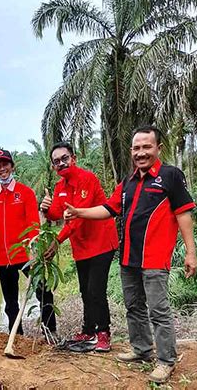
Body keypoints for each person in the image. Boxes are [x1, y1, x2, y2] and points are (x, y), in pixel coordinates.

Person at [64, 126, 197, 384]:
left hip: (155, 258)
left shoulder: (170, 176)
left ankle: (166, 360)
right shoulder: (128, 182)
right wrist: (79, 212)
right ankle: (142, 349)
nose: (141, 152)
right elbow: (107, 208)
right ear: (131, 152)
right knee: (133, 306)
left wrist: (190, 252)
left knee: (158, 310)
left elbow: (183, 214)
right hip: (128, 257)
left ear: (158, 148)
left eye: (147, 147)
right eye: (136, 148)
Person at [39, 142, 119, 352]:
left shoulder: (87, 179)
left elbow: (79, 217)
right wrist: (46, 209)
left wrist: (58, 241)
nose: (61, 163)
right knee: (85, 289)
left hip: (102, 242)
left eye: (64, 158)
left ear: (73, 158)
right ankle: (88, 330)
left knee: (96, 289)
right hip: (81, 245)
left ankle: (103, 334)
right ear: (53, 166)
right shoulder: (59, 187)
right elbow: (57, 213)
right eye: (56, 161)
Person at [0, 148, 56, 336]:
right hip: (4, 258)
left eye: (5, 164)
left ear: (12, 166)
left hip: (26, 255)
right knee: (10, 302)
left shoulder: (25, 192)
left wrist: (34, 251)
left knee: (43, 292)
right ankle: (16, 335)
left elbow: (33, 223)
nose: (2, 169)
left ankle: (50, 331)